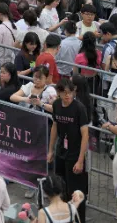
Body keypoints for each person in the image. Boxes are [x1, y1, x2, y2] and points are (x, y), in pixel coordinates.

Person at [48, 77, 89, 219]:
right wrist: (51, 150)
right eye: (64, 92)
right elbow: (54, 126)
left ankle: (78, 219)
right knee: (61, 189)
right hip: (61, 152)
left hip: (75, 154)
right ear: (58, 92)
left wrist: (80, 160)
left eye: (70, 92)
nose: (68, 95)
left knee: (76, 192)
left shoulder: (79, 108)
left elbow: (85, 134)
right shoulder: (57, 105)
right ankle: (64, 217)